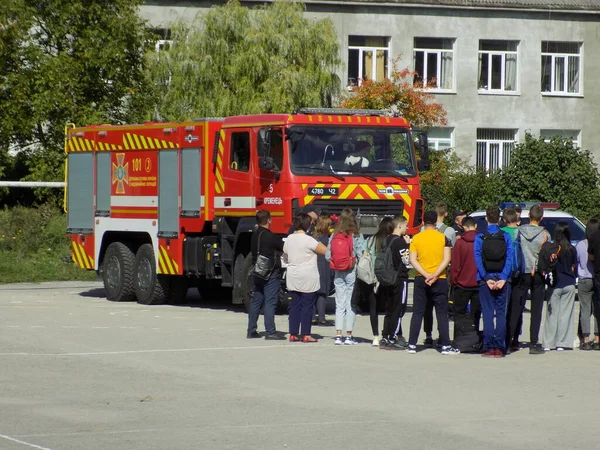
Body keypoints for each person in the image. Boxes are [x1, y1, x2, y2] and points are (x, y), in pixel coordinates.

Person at [407, 210, 459, 355]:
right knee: (441, 313)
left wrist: (425, 275)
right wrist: (435, 275)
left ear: (423, 222)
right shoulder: (443, 238)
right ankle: (445, 345)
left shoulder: (416, 238)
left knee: (418, 312)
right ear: (436, 222)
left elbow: (412, 260)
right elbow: (447, 259)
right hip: (440, 279)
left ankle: (412, 344)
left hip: (420, 278)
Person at [508, 205, 549, 355]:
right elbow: (546, 254)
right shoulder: (545, 234)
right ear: (541, 218)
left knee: (516, 306)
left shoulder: (518, 232)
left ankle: (510, 340)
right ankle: (533, 343)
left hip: (521, 272)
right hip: (538, 273)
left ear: (528, 216)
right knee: (536, 308)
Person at [474, 205, 513, 357]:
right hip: (503, 279)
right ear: (499, 219)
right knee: (501, 313)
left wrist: (486, 277)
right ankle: (500, 347)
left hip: (485, 279)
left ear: (486, 218)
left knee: (488, 313)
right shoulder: (506, 236)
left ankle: (489, 346)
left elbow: (477, 257)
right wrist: (503, 277)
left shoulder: (480, 237)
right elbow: (510, 258)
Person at [283, 213, 327, 343]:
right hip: (308, 275)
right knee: (307, 305)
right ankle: (306, 333)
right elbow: (326, 251)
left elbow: (285, 256)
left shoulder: (289, 238)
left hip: (293, 275)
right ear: (307, 225)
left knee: (294, 305)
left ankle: (293, 333)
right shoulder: (309, 240)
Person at [326, 208, 365, 345]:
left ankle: (338, 335)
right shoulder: (356, 235)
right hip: (351, 271)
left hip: (338, 272)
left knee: (339, 303)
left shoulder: (334, 235)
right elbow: (361, 255)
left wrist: (336, 262)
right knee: (350, 304)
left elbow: (327, 255)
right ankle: (348, 336)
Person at [355, 217, 394, 346]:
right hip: (387, 276)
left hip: (371, 276)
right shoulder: (391, 241)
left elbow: (364, 255)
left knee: (373, 307)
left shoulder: (371, 240)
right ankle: (387, 334)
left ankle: (375, 336)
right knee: (389, 307)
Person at [247, 210, 286, 340]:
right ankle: (270, 331)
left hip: (257, 271)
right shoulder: (271, 236)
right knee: (271, 301)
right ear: (269, 220)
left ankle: (251, 330)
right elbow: (283, 247)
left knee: (257, 300)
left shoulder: (254, 235)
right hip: (270, 272)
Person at [423, 201, 457, 347]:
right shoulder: (449, 231)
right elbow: (452, 250)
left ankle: (428, 334)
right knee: (441, 307)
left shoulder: (421, 230)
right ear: (446, 214)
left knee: (427, 307)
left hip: (424, 271)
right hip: (442, 271)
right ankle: (442, 336)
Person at [542, 222, 577, 351]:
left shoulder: (552, 248)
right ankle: (562, 343)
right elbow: (574, 267)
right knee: (565, 314)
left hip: (555, 284)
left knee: (552, 315)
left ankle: (548, 343)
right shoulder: (572, 249)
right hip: (569, 282)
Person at [379, 215, 411, 350]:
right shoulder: (399, 242)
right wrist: (408, 245)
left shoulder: (386, 240)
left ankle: (385, 336)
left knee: (389, 309)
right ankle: (393, 338)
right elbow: (407, 261)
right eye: (405, 225)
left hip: (387, 278)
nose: (407, 228)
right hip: (399, 278)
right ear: (399, 226)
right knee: (399, 309)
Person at [450, 216, 480, 331]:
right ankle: (475, 338)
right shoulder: (482, 240)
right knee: (476, 314)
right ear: (475, 226)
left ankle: (459, 339)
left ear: (464, 227)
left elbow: (455, 265)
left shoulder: (460, 243)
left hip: (462, 284)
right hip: (478, 282)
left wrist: (453, 281)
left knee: (459, 313)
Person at [576, 219, 600, 350]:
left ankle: (585, 339)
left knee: (585, 310)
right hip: (595, 277)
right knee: (597, 310)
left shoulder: (580, 244)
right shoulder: (597, 243)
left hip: (584, 278)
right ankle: (597, 339)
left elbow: (577, 261)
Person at [313, 214, 334, 326]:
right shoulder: (326, 239)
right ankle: (321, 318)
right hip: (324, 267)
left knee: (313, 293)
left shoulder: (314, 237)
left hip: (314, 266)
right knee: (322, 293)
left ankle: (312, 317)